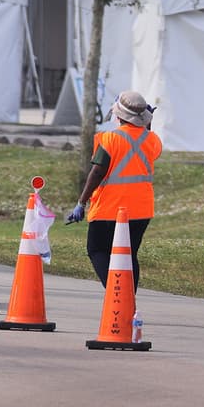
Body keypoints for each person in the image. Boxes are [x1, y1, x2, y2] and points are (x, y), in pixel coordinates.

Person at [65, 90, 161, 291]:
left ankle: (116, 295)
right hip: (141, 210)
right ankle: (128, 300)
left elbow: (97, 172)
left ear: (118, 115)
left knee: (97, 249)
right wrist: (146, 124)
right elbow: (148, 144)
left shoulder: (109, 139)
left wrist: (81, 202)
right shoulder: (152, 140)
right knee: (129, 254)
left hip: (110, 209)